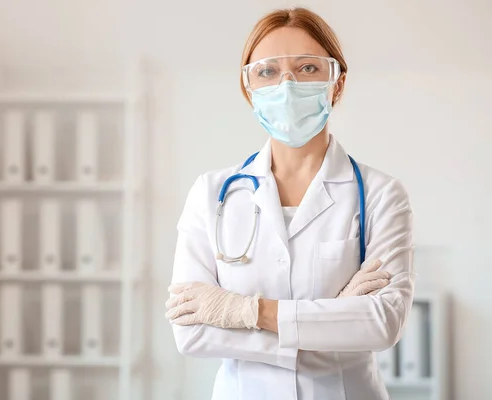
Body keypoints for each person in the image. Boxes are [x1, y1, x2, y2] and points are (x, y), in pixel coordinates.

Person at [164, 7, 416, 400]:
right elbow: (191, 332)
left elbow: (383, 324)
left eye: (307, 69)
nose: (287, 86)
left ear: (338, 82)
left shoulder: (381, 194)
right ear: (249, 89)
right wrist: (332, 318)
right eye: (267, 71)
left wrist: (248, 312)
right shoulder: (211, 192)